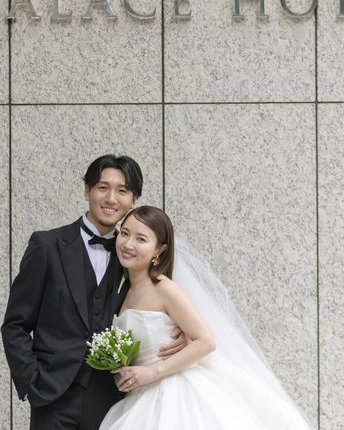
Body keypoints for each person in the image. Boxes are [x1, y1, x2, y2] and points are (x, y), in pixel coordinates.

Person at [1, 155, 185, 430]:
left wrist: (178, 332)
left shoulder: (135, 256)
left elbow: (163, 304)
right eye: (102, 187)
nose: (111, 198)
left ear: (133, 200)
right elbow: (15, 324)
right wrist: (31, 382)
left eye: (122, 190)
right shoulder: (47, 246)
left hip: (113, 399)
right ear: (87, 190)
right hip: (52, 396)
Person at [99, 205, 313, 430]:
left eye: (141, 239)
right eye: (125, 233)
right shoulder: (124, 292)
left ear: (159, 250)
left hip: (174, 391)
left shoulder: (164, 288)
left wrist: (153, 372)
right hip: (140, 396)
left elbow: (206, 341)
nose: (128, 244)